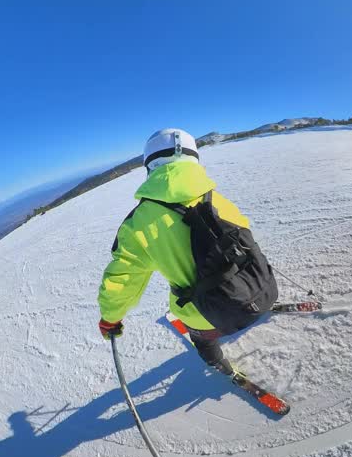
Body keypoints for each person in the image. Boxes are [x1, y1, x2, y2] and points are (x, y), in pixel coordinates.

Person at [97, 129, 277, 378]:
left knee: (201, 336)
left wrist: (110, 319)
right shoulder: (215, 197)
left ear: (151, 165)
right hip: (263, 288)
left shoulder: (139, 223)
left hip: (206, 316)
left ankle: (216, 362)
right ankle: (253, 308)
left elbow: (122, 282)